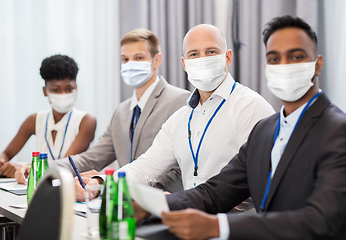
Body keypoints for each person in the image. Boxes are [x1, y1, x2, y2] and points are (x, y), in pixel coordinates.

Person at [149, 16, 346, 239]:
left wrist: (219, 227)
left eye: (296, 56)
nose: (284, 66)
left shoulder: (337, 132)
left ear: (317, 64)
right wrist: (153, 204)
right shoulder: (264, 131)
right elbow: (215, 192)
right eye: (274, 59)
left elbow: (322, 219)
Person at [77, 24, 274, 205]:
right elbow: (145, 168)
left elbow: (260, 183)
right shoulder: (181, 118)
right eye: (194, 54)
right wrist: (101, 182)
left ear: (228, 57)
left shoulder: (251, 107)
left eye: (211, 52)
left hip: (233, 226)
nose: (202, 59)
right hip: (187, 221)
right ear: (184, 63)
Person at [15, 29, 191, 193]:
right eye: (125, 59)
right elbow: (90, 159)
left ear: (157, 60)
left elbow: (181, 168)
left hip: (161, 205)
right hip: (120, 203)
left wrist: (120, 190)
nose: (130, 64)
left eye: (138, 58)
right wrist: (40, 166)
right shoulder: (121, 112)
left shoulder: (180, 100)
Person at [0, 54, 97, 178]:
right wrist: (3, 162)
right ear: (45, 91)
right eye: (56, 90)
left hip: (69, 187)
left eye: (69, 89)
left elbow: (66, 165)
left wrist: (23, 167)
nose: (63, 94)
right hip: (39, 187)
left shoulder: (86, 121)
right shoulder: (34, 120)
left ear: (76, 88)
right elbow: (6, 154)